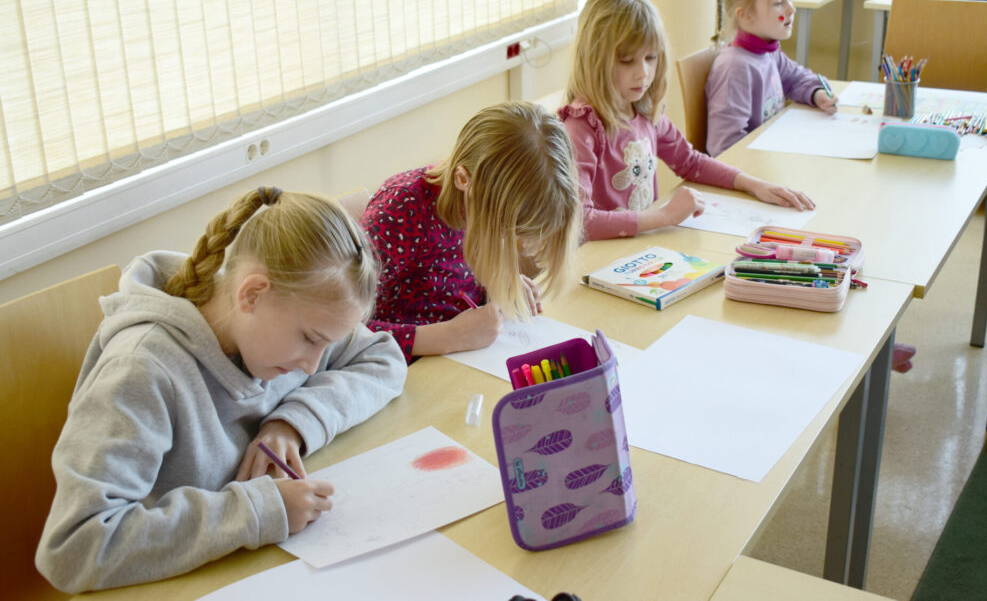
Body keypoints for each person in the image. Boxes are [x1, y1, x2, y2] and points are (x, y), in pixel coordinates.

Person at [36, 187, 407, 593]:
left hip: (248, 570)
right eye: (309, 339)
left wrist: (292, 423)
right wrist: (259, 511)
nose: (312, 365)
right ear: (252, 294)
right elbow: (74, 547)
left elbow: (382, 358)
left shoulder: (292, 316)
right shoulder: (140, 369)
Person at [559, 0, 814, 241]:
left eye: (651, 58)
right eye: (627, 61)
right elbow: (580, 221)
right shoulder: (581, 127)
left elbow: (690, 162)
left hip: (638, 249)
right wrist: (665, 215)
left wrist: (754, 185)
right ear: (594, 59)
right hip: (601, 258)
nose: (643, 73)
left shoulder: (643, 109)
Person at [361, 102, 582, 363]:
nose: (506, 239)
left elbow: (452, 278)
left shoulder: (477, 200)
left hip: (466, 358)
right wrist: (448, 336)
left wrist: (498, 283)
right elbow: (338, 331)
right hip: (404, 367)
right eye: (504, 229)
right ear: (463, 179)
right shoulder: (401, 210)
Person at [705, 0, 839, 157]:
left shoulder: (768, 52)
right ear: (745, 15)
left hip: (772, 157)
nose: (791, 10)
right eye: (778, 3)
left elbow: (797, 79)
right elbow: (725, 148)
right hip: (749, 169)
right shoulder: (734, 67)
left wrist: (817, 94)